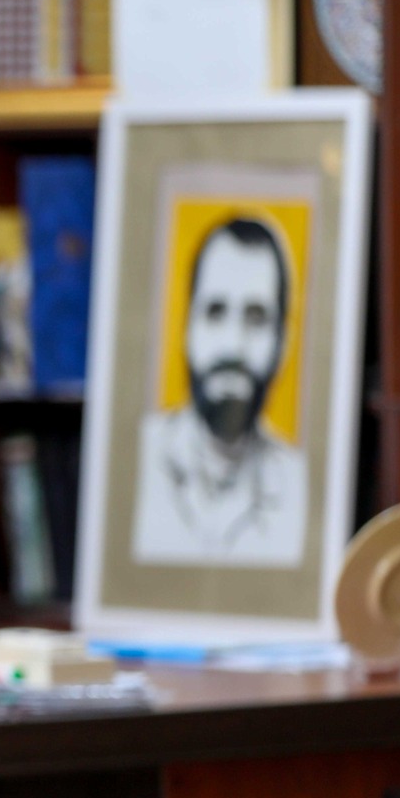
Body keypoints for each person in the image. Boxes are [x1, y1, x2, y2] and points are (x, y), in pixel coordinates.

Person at [133, 215, 308, 566]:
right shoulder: (134, 462)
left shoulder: (302, 487)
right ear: (186, 328)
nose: (233, 345)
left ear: (282, 343)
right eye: (215, 312)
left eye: (256, 318)